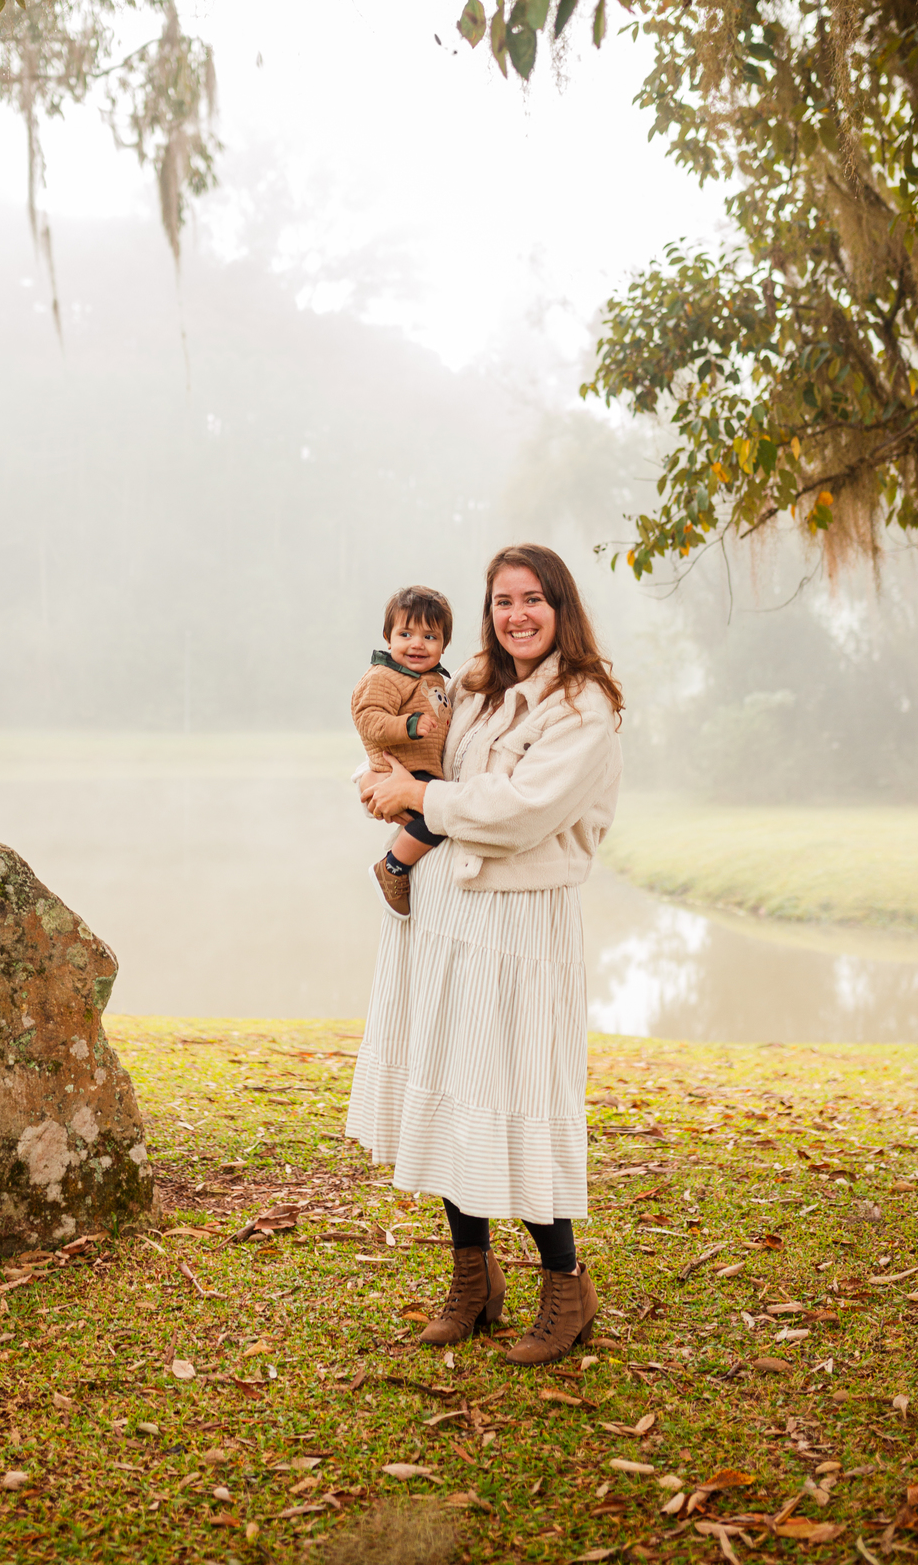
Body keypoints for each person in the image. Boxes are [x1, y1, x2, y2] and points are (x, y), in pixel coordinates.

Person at [346, 544, 623, 1366]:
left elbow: (519, 809)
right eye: (503, 601)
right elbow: (420, 759)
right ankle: (474, 1282)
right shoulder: (471, 687)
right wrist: (380, 780)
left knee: (513, 1097)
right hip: (441, 921)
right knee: (447, 1094)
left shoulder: (583, 706)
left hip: (518, 931)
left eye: (533, 599)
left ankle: (567, 1289)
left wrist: (418, 798)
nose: (517, 615)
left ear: (561, 607)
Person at [351, 585, 455, 920]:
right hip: (402, 767)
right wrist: (408, 725)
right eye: (406, 633)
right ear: (388, 637)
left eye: (430, 637)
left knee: (437, 813)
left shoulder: (434, 678)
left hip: (421, 770)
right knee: (436, 817)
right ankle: (393, 867)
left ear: (444, 644)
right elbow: (368, 719)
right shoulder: (385, 676)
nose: (417, 644)